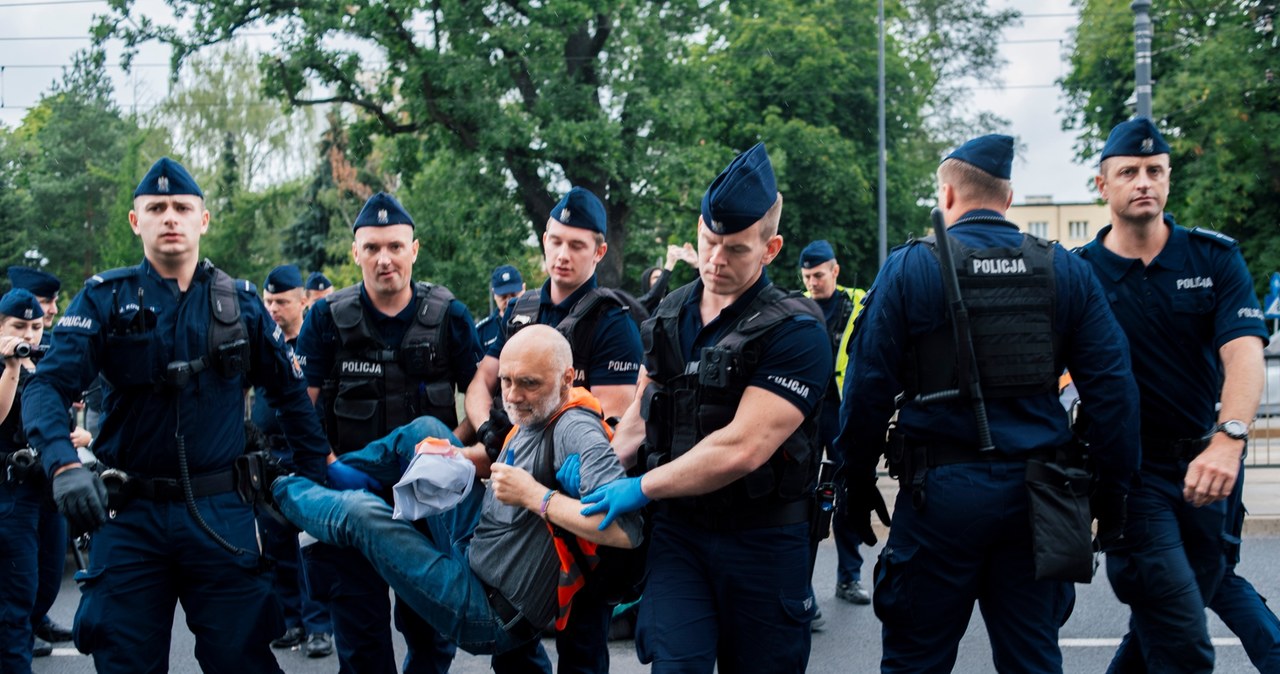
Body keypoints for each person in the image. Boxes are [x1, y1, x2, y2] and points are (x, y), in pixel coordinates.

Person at [837, 134, 1140, 673]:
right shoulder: (1065, 270)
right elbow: (1115, 396)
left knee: (915, 661)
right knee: (1033, 660)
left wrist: (853, 488)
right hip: (1039, 500)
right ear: (1008, 197)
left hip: (939, 499)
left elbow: (865, 393)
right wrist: (1111, 498)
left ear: (946, 196)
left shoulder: (908, 269)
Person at [20, 156, 330, 673]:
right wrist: (63, 463)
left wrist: (314, 499)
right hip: (128, 514)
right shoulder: (103, 299)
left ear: (202, 220)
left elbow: (295, 401)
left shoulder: (242, 305)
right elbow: (46, 387)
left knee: (243, 659)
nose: (170, 217)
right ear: (135, 220)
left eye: (182, 207)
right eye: (157, 207)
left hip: (222, 512)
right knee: (125, 659)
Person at [583, 142, 833, 673]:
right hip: (681, 537)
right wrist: (598, 469)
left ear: (771, 248)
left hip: (764, 540)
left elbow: (742, 447)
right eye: (709, 241)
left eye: (737, 249)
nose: (716, 260)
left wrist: (640, 486)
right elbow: (641, 411)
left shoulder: (796, 330)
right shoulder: (671, 312)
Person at [272, 325, 644, 656]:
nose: (513, 396)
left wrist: (536, 496)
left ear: (566, 379)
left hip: (488, 611)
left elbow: (626, 531)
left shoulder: (575, 428)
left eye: (529, 383)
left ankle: (275, 486)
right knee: (426, 432)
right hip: (475, 549)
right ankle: (339, 471)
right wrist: (457, 455)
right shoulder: (534, 411)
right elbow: (500, 459)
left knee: (363, 514)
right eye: (507, 381)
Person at [1077, 118, 1270, 673]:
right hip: (1130, 475)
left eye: (1155, 170)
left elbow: (1243, 355)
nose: (1144, 181)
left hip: (1209, 471)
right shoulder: (1078, 273)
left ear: (1168, 179)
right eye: (1129, 172)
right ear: (1103, 185)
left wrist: (1228, 439)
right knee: (1184, 640)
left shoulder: (1213, 259)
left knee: (1164, 621)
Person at [296, 191, 483, 674]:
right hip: (350, 494)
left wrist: (448, 444)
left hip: (427, 499)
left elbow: (479, 393)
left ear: (414, 250)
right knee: (360, 641)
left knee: (432, 637)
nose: (385, 259)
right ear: (355, 252)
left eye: (396, 247)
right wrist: (331, 468)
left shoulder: (449, 315)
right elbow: (303, 408)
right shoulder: (324, 319)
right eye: (373, 247)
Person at [463, 186, 643, 673]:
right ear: (544, 240)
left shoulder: (611, 321)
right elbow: (479, 382)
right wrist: (487, 435)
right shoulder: (519, 310)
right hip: (515, 511)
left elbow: (613, 422)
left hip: (575, 518)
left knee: (581, 649)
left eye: (578, 245)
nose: (563, 255)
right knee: (513, 647)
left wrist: (540, 465)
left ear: (599, 251)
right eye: (556, 241)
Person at [252, 264, 335, 658]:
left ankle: (320, 626)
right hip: (269, 456)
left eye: (281, 301)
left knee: (309, 546)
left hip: (303, 454)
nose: (272, 309)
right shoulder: (262, 343)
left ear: (303, 302)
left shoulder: (313, 343)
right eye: (268, 301)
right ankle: (292, 621)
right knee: (277, 546)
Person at [6, 266, 76, 658]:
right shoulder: (10, 358)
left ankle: (33, 621)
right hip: (13, 485)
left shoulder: (47, 349)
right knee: (17, 587)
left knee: (47, 576)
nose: (45, 315)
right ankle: (19, 633)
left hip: (46, 479)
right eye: (24, 323)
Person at [797, 239, 870, 606]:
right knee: (802, 497)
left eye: (819, 275)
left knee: (846, 494)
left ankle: (849, 578)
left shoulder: (858, 301)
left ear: (835, 270)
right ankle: (801, 589)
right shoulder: (795, 305)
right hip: (804, 415)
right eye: (807, 276)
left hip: (843, 411)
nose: (813, 282)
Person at [0, 289, 50, 673]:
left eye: (36, 326)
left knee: (44, 588)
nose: (30, 335)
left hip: (44, 490)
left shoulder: (43, 361)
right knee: (15, 603)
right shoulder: (10, 364)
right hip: (9, 492)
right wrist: (11, 367)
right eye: (20, 326)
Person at [475, 264, 525, 353]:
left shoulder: (537, 321)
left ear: (523, 289)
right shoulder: (482, 332)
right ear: (494, 294)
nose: (509, 301)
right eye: (503, 296)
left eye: (514, 295)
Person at [637, 243, 696, 315]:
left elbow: (696, 292)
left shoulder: (674, 303)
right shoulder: (639, 305)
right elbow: (654, 296)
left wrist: (696, 265)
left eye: (662, 277)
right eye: (656, 278)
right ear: (646, 282)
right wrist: (669, 264)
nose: (661, 280)